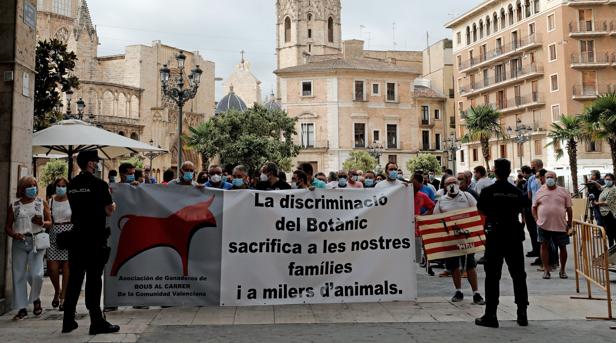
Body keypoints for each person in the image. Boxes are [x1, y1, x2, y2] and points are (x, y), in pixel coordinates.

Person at [62, 150, 120, 334]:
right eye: (95, 161)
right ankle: (96, 321)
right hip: (94, 238)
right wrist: (113, 205)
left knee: (75, 280)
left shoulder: (72, 185)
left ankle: (68, 321)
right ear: (90, 163)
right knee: (94, 280)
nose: (97, 164)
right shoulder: (99, 184)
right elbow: (109, 210)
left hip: (76, 238)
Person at [475, 159, 529, 328]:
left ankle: (491, 315)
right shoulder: (517, 191)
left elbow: (481, 209)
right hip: (513, 234)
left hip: (495, 235)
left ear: (494, 171)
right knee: (519, 274)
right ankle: (522, 313)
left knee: (492, 276)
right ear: (509, 170)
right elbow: (523, 208)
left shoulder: (488, 191)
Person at [5, 176, 51, 320]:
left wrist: (42, 222)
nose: (33, 188)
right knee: (18, 275)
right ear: (22, 189)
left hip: (37, 241)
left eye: (34, 185)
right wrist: (13, 234)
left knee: (36, 274)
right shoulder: (15, 206)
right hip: (19, 242)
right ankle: (22, 307)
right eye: (29, 186)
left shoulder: (40, 202)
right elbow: (7, 226)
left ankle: (35, 297)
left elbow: (50, 222)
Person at [434, 176, 485, 305]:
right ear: (444, 186)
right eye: (448, 183)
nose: (451, 185)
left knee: (470, 265)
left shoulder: (467, 196)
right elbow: (436, 218)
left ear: (458, 184)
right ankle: (458, 291)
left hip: (468, 238)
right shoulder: (441, 201)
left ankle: (476, 293)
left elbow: (477, 212)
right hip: (451, 239)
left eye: (454, 182)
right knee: (454, 266)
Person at [532, 171, 573, 279]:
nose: (549, 179)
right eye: (547, 177)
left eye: (551, 177)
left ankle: (562, 270)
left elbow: (569, 208)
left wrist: (569, 223)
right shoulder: (540, 191)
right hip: (543, 225)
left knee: (562, 248)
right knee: (544, 246)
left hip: (560, 225)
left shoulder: (563, 191)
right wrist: (536, 219)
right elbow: (534, 207)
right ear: (544, 179)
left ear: (556, 178)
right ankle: (546, 270)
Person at [48, 176, 72, 312]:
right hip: (53, 234)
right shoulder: (50, 201)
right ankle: (57, 291)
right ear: (55, 186)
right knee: (52, 268)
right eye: (59, 185)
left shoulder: (72, 200)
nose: (61, 188)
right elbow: (46, 217)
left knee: (67, 268)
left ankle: (63, 297)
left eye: (63, 185)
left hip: (68, 233)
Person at [520, 165, 540, 259]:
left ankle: (536, 250)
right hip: (530, 208)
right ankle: (535, 249)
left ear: (524, 172)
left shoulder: (531, 180)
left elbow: (528, 195)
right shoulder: (530, 180)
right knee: (532, 231)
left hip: (530, 209)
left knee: (533, 231)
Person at [595, 173, 616, 247]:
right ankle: (611, 249)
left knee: (612, 233)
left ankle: (612, 250)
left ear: (613, 181)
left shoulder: (613, 189)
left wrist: (597, 203)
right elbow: (600, 187)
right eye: (606, 179)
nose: (607, 181)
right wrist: (594, 183)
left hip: (611, 214)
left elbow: (607, 202)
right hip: (605, 214)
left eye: (609, 179)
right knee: (609, 234)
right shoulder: (606, 187)